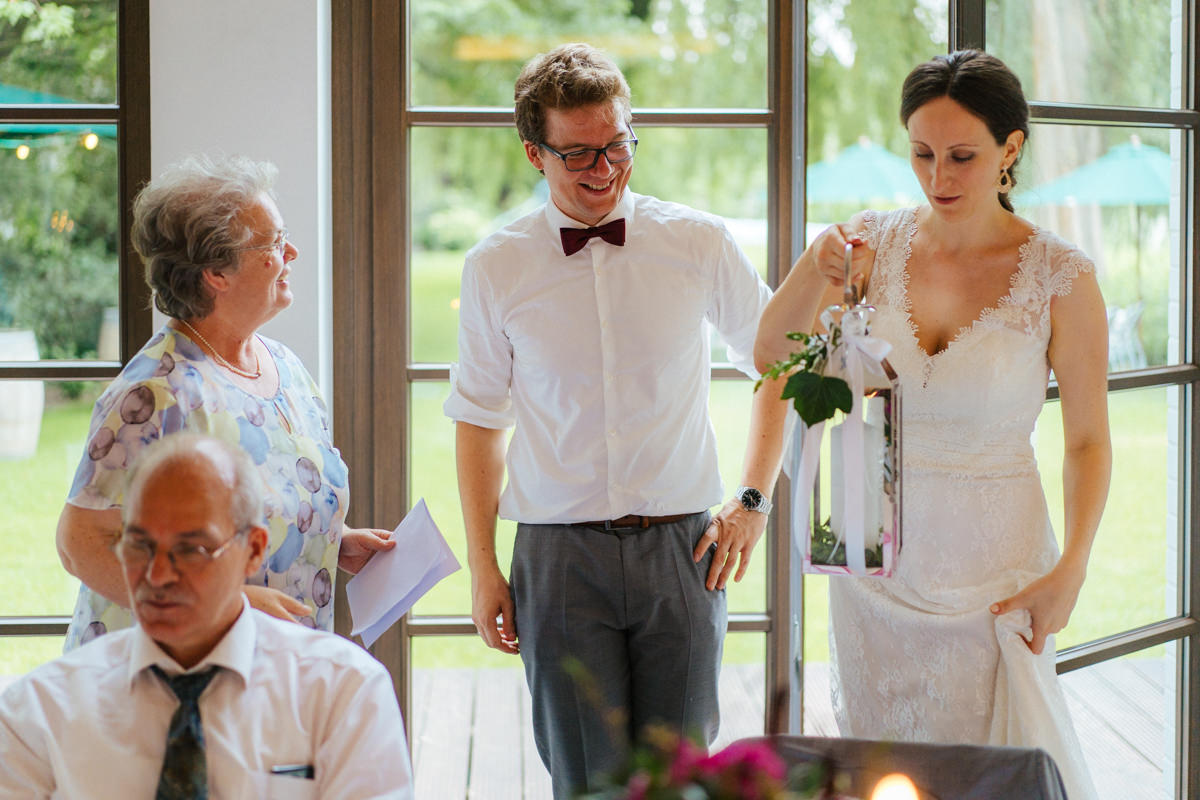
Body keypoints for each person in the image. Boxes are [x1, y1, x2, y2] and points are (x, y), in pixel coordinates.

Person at [755, 50, 1110, 800]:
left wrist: (1070, 567)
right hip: (874, 575)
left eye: (962, 156)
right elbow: (767, 354)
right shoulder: (864, 249)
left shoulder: (1061, 278)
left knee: (1003, 774)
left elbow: (1086, 439)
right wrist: (812, 275)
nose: (939, 178)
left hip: (1000, 580)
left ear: (1011, 149)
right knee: (887, 773)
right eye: (921, 154)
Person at [445, 43, 788, 798]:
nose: (603, 169)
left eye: (618, 145)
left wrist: (754, 501)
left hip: (684, 550)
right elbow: (476, 419)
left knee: (682, 777)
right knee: (586, 782)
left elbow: (779, 363)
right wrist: (484, 569)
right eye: (578, 154)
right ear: (534, 153)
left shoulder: (697, 242)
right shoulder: (494, 267)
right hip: (558, 560)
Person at [55, 155, 394, 650]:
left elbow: (258, 507)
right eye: (276, 243)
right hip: (167, 677)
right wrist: (227, 604)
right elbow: (80, 544)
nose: (292, 252)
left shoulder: (284, 368)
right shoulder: (154, 395)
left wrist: (328, 540)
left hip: (270, 671)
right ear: (216, 272)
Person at [0, 434, 414, 798]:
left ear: (253, 550)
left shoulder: (342, 692)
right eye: (139, 544)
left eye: (191, 550)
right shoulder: (39, 713)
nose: (157, 575)